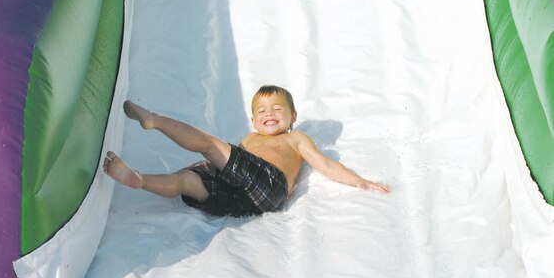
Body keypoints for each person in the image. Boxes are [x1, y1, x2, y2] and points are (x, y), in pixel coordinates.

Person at [103, 86, 390, 218]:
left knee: (210, 144)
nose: (270, 114)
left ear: (293, 116)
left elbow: (325, 164)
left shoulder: (296, 139)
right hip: (244, 204)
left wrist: (361, 182)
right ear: (253, 120)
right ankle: (139, 179)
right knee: (187, 181)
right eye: (262, 111)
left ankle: (155, 119)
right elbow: (229, 167)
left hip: (271, 186)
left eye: (278, 109)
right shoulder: (249, 138)